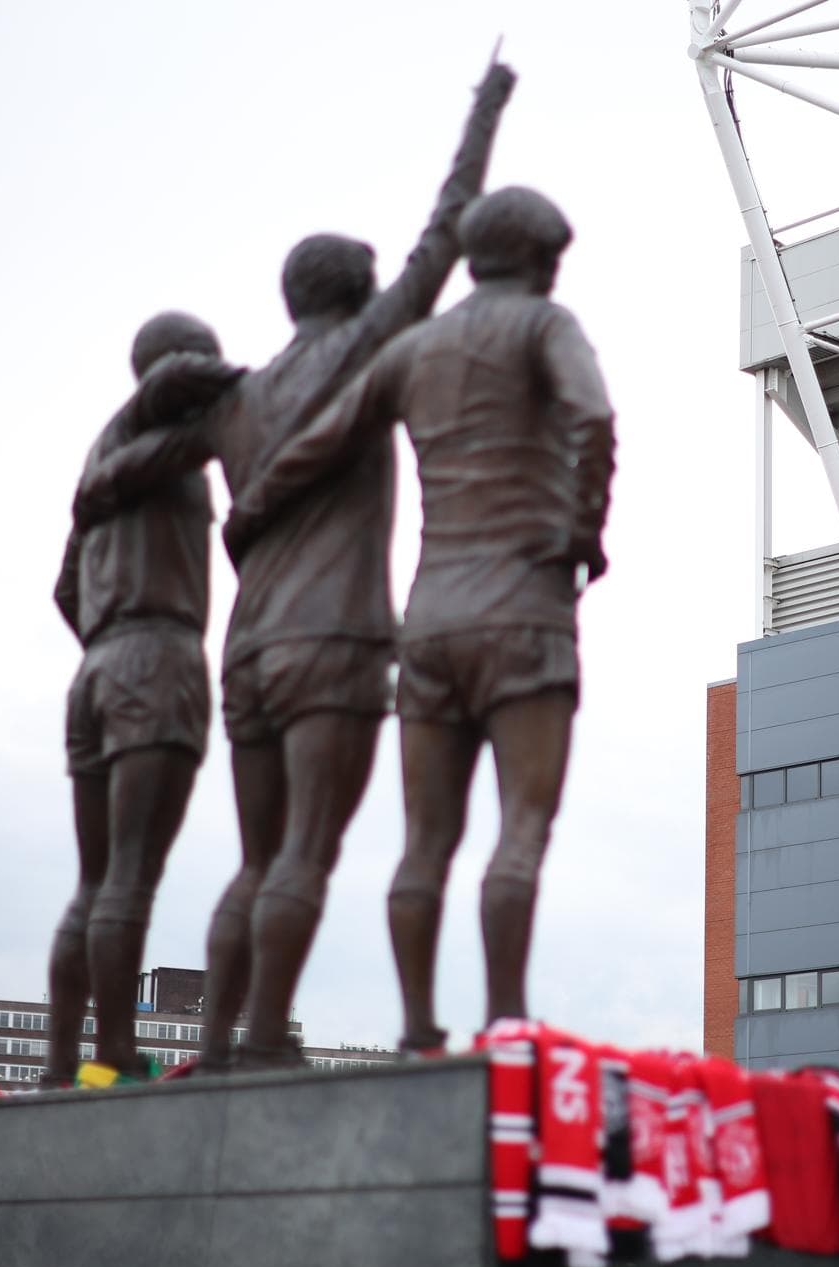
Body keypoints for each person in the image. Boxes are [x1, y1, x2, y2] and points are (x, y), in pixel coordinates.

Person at [70, 62, 514, 1066]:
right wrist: (486, 109)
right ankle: (264, 1036)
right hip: (335, 639)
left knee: (255, 858)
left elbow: (114, 476)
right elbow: (447, 231)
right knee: (306, 850)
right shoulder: (364, 345)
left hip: (246, 652)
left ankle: (221, 1043)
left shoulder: (236, 398)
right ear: (355, 288)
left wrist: (145, 408)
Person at [225, 184, 615, 1048]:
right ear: (542, 259)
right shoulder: (545, 327)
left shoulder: (414, 349)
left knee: (424, 841)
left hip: (430, 620)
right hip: (524, 607)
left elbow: (313, 446)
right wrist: (579, 533)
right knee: (520, 826)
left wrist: (247, 514)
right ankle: (507, 1023)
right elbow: (592, 418)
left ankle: (414, 1029)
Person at [47, 311, 243, 1079]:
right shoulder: (164, 449)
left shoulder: (103, 459)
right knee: (130, 875)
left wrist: (107, 639)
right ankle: (117, 1054)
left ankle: (66, 1062)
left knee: (93, 881)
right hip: (156, 658)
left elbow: (65, 587)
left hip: (96, 668)